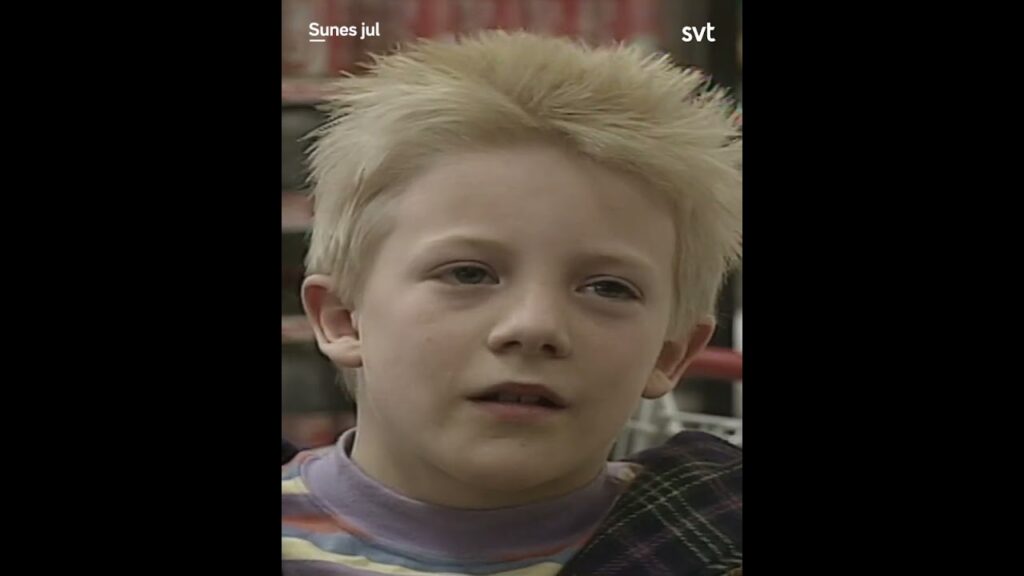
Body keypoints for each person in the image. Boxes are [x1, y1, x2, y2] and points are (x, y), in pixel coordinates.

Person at [282, 30, 742, 575]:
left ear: (670, 354)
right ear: (343, 319)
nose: (535, 326)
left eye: (608, 288)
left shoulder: (712, 541)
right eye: (468, 273)